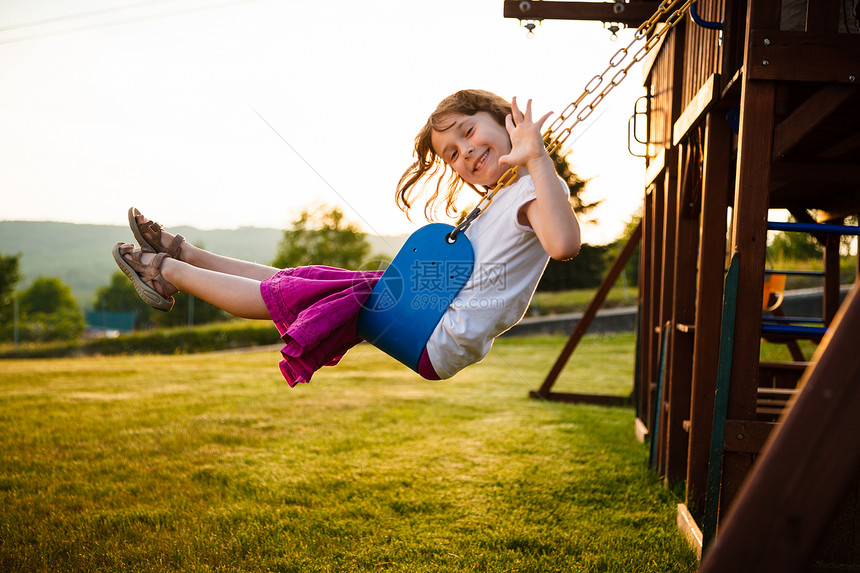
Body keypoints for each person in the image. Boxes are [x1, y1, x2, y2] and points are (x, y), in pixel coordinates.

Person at [113, 89, 581, 386]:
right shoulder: (501, 196)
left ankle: (166, 271)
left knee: (291, 293)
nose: (466, 151)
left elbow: (562, 244)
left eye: (469, 131)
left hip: (436, 332)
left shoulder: (533, 188)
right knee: (298, 280)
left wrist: (538, 158)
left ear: (505, 120)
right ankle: (186, 254)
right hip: (427, 311)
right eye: (452, 153)